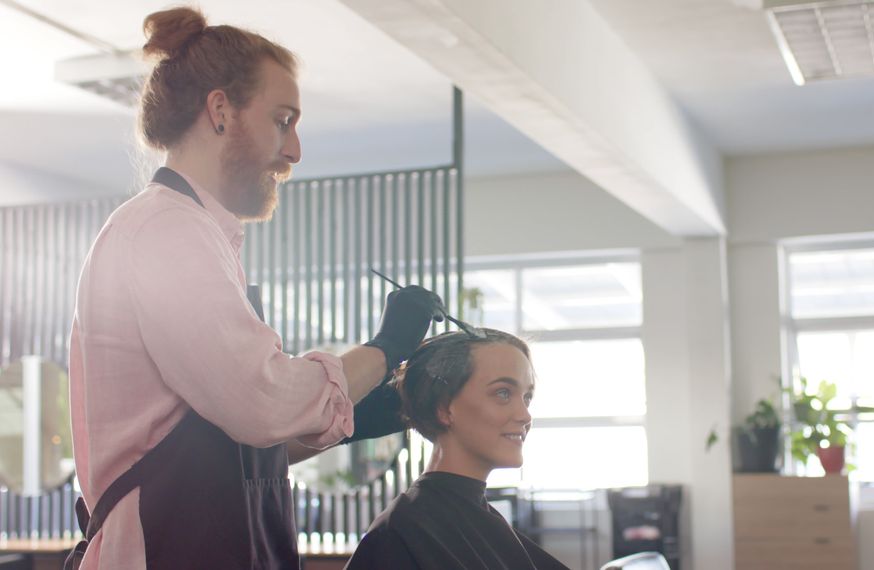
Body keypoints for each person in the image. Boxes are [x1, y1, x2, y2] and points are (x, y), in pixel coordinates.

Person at [66, 7, 441, 569]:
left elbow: (231, 449)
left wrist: (361, 414)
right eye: (283, 120)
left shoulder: (197, 236)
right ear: (221, 110)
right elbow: (261, 403)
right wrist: (387, 346)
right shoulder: (166, 231)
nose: (294, 151)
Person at [346, 329, 570, 570]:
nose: (525, 415)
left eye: (526, 398)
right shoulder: (404, 532)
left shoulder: (471, 518)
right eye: (503, 393)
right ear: (443, 408)